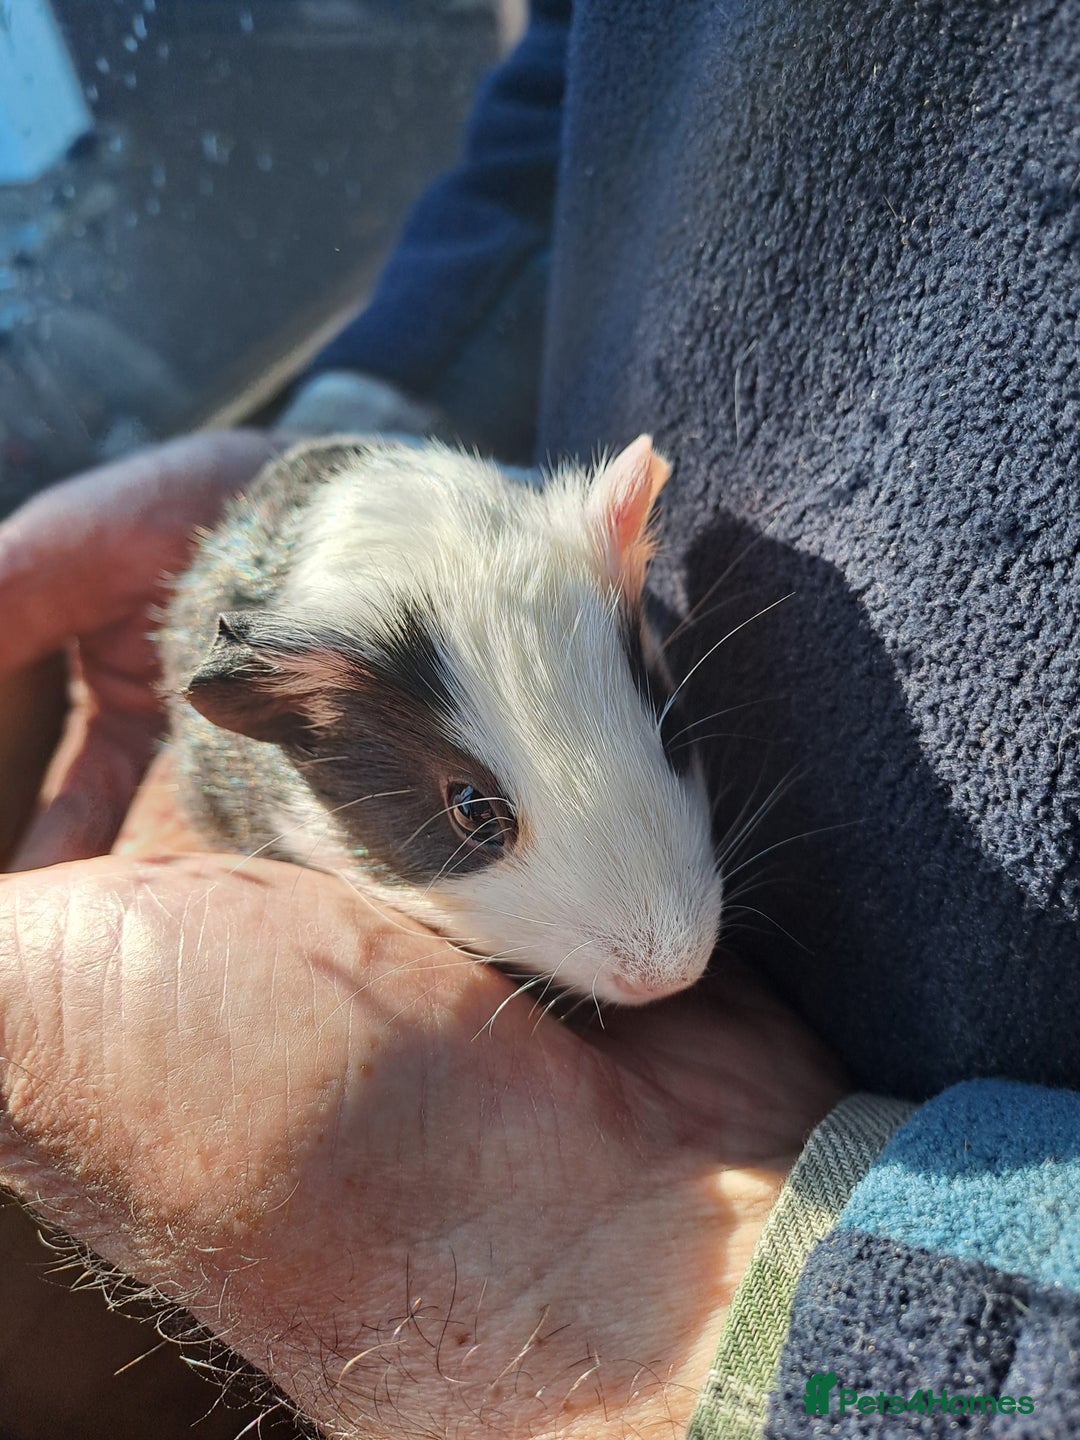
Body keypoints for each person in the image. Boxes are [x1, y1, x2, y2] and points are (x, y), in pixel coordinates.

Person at [1, 0, 1079, 1434]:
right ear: (301, 724)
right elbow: (582, 75)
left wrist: (691, 1309)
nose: (657, 951)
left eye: (656, 723)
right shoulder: (296, 704)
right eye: (475, 813)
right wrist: (393, 388)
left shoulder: (582, 564)